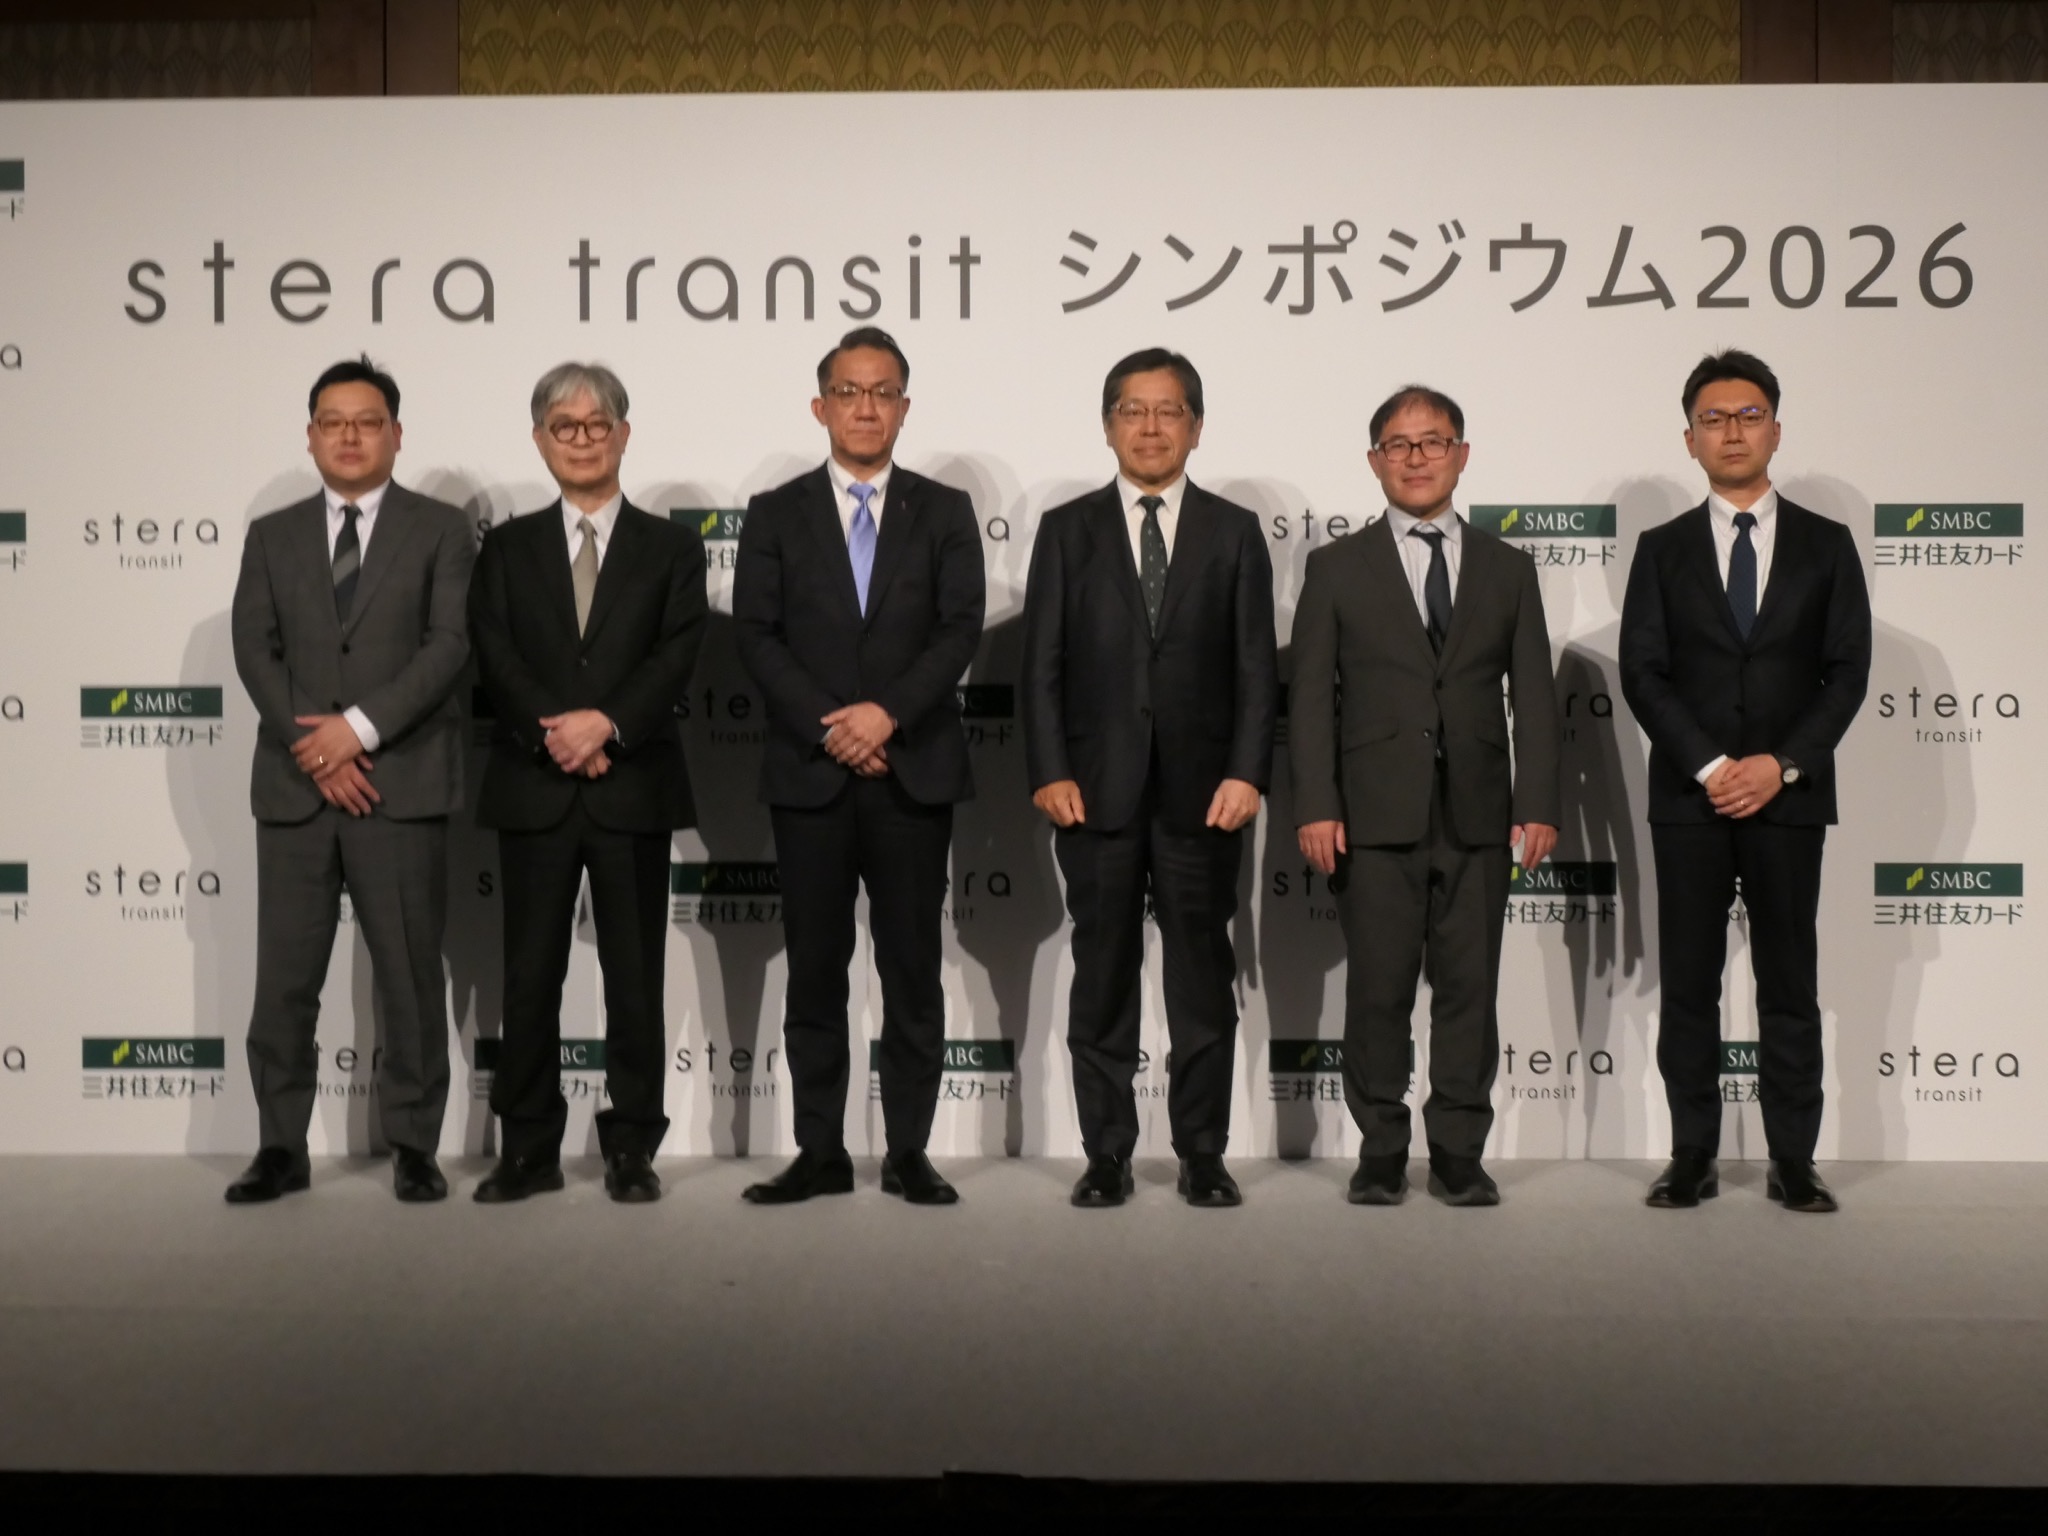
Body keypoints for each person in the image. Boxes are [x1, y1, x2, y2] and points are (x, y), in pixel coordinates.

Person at [1291, 384, 1560, 1208]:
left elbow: (1534, 696)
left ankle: (1458, 1152)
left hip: (1480, 813)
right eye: (1399, 445)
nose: (1417, 458)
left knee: (1469, 991)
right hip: (1371, 815)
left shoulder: (1509, 568)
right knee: (1378, 989)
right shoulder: (1336, 568)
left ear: (1462, 455)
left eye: (1433, 441)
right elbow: (1310, 698)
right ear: (1375, 461)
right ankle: (1380, 1149)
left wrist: (1538, 802)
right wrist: (1316, 803)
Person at [733, 327, 985, 1206]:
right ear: (821, 407)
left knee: (912, 970)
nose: (866, 407)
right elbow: (756, 635)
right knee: (815, 971)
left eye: (882, 392)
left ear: (904, 408)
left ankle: (909, 1150)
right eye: (849, 391)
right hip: (811, 776)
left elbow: (959, 628)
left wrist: (887, 715)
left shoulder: (944, 510)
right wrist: (833, 726)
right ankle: (820, 1151)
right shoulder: (775, 512)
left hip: (912, 770)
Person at [1021, 348, 1277, 1209]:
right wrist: (1049, 770)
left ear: (1196, 427)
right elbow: (1041, 665)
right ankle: (1106, 1154)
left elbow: (1256, 671)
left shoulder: (1234, 531)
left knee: (1201, 979)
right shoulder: (1067, 529)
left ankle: (1203, 1153)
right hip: (1093, 793)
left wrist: (1247, 773)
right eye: (1133, 410)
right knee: (1102, 977)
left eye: (1170, 411)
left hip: (1205, 798)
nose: (1151, 427)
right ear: (1108, 426)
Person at [1620, 350, 1870, 1214]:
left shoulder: (1827, 545)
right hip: (1689, 801)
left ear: (1776, 429)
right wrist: (1712, 766)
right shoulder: (1660, 549)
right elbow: (1643, 671)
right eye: (1715, 418)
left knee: (1789, 985)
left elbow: (1847, 673)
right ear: (1690, 438)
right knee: (1689, 986)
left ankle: (1793, 1160)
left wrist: (1781, 764)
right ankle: (1691, 1155)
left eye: (1750, 414)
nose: (1733, 431)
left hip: (1789, 800)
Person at [226, 356, 475, 1204]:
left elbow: (448, 645)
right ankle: (278, 1147)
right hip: (298, 790)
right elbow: (254, 649)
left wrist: (357, 731)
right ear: (310, 436)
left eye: (367, 422)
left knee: (409, 978)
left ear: (396, 434)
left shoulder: (442, 531)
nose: (349, 436)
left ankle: (415, 1146)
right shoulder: (271, 535)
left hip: (399, 783)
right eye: (332, 422)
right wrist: (317, 750)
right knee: (284, 981)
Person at [467, 362, 707, 1203]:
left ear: (623, 435)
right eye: (563, 427)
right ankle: (528, 1148)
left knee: (634, 979)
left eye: (596, 424)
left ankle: (632, 1146)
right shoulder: (505, 549)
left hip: (630, 783)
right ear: (540, 440)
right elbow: (494, 654)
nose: (581, 439)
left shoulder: (673, 549)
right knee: (529, 977)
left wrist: (606, 724)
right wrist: (560, 735)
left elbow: (676, 652)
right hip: (535, 785)